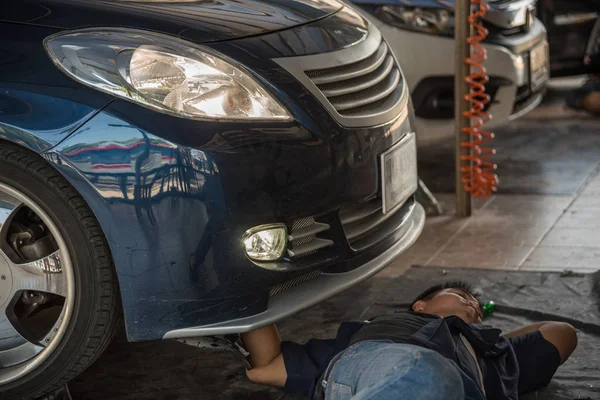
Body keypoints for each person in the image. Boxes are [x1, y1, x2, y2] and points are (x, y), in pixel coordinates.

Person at [240, 281, 578, 400]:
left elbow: (560, 334)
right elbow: (265, 367)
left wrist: (488, 342)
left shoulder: (495, 358)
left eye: (476, 305)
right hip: (399, 366)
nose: (473, 303)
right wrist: (241, 294)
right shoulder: (382, 330)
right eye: (461, 295)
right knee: (430, 372)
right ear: (421, 306)